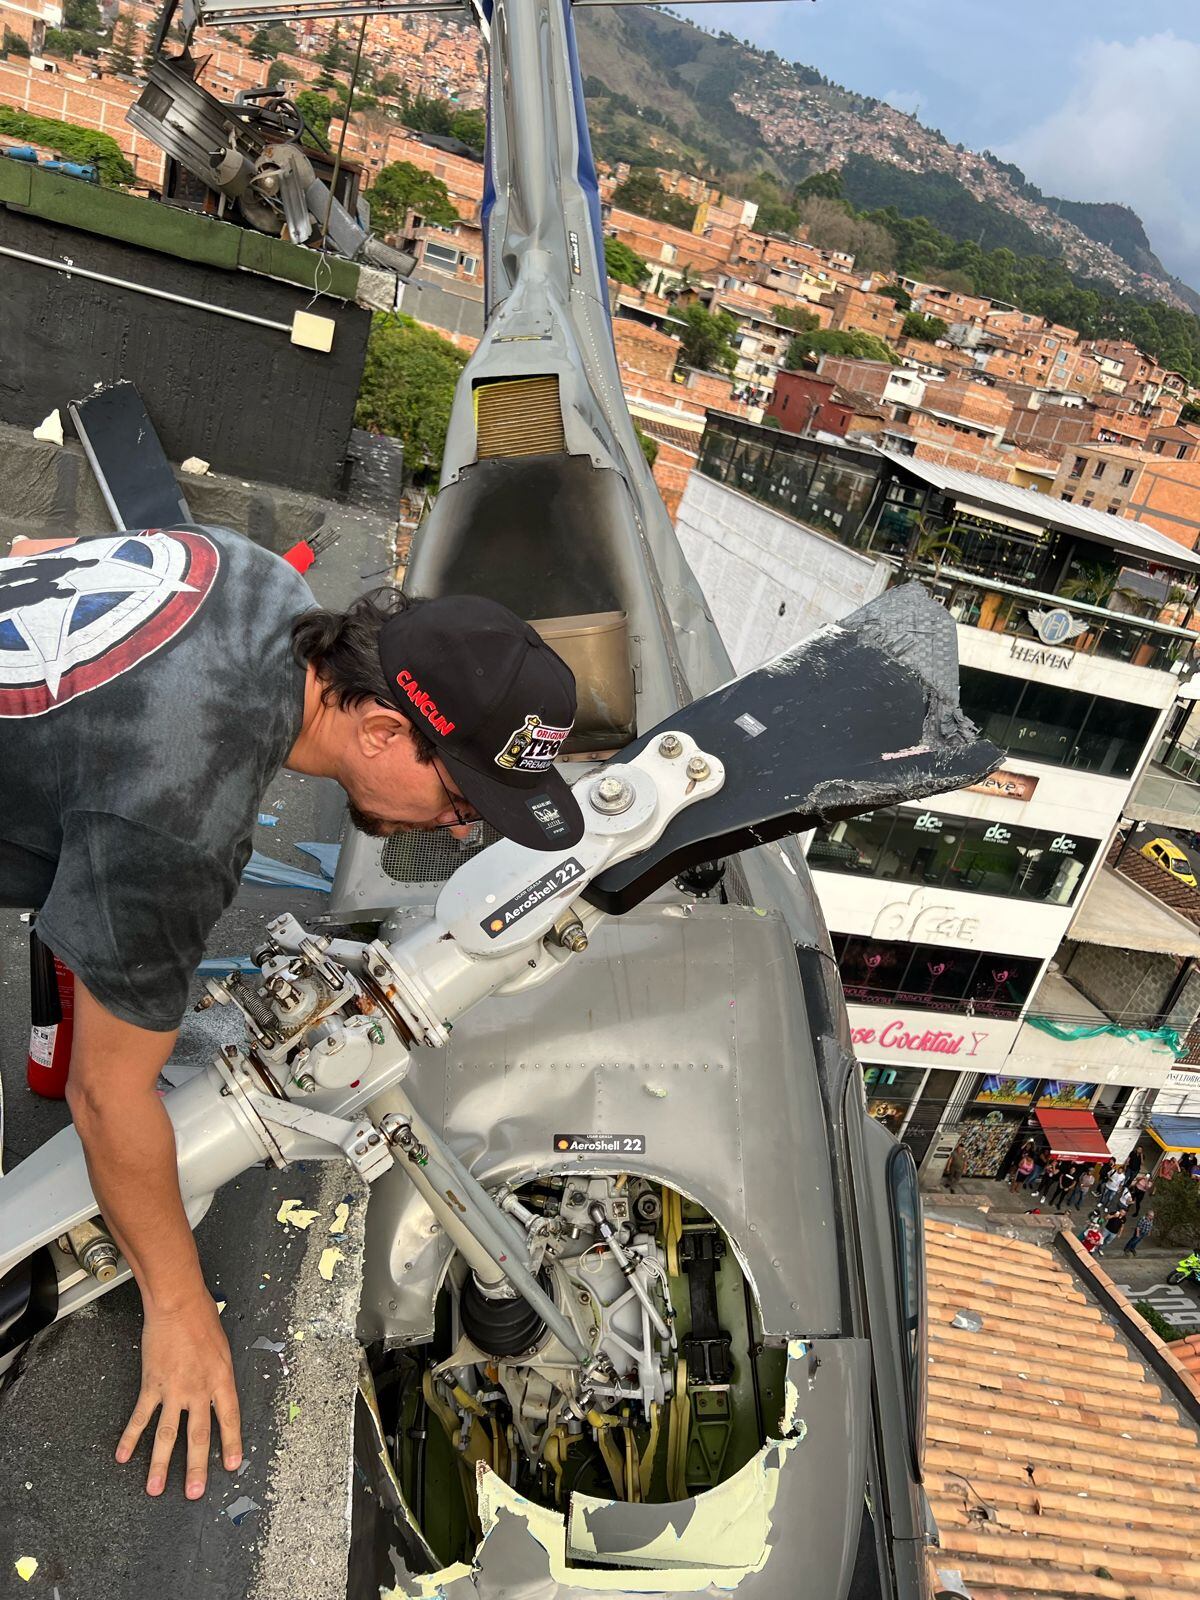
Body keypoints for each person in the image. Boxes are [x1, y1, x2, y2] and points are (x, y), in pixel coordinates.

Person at [0, 532, 588, 1503]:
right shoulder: (185, 804)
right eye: (461, 795)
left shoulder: (259, 578)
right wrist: (179, 1303)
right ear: (385, 731)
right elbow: (107, 1097)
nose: (462, 826)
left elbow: (39, 548)